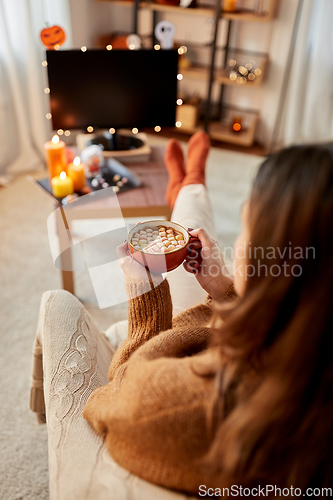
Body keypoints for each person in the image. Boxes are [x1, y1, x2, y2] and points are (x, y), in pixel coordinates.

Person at [82, 136, 333, 495]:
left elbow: (115, 393)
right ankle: (188, 182)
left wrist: (145, 297)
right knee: (186, 232)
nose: (240, 243)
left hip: (190, 339)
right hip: (229, 323)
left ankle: (190, 183)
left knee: (59, 300)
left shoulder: (173, 404)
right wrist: (226, 291)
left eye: (248, 229)